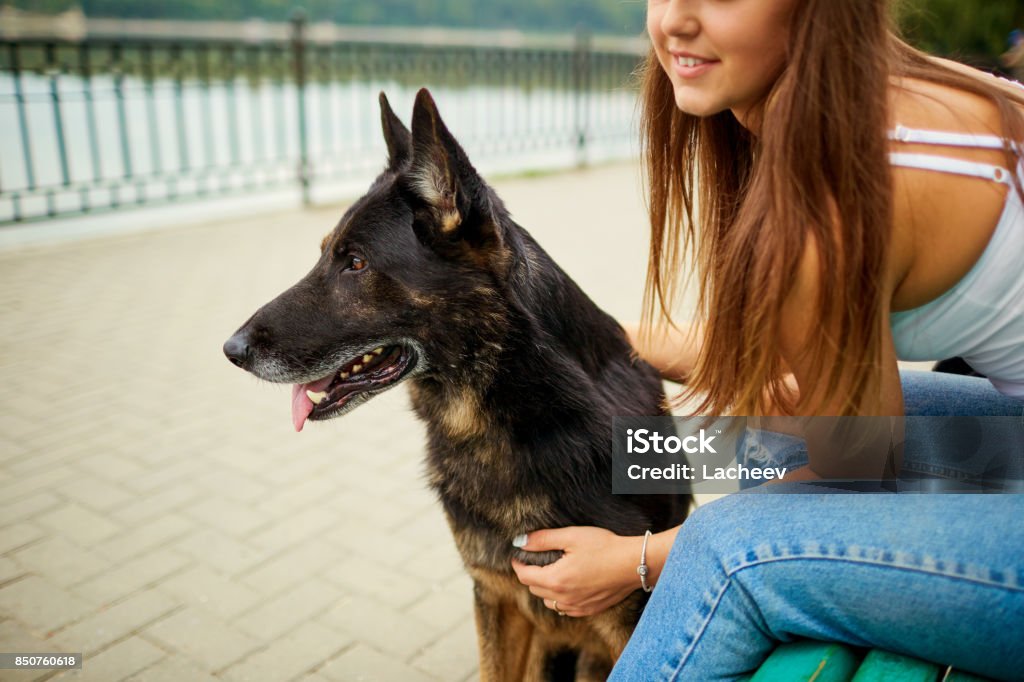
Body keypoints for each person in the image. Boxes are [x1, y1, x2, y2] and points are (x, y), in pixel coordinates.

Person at [510, 0, 1024, 679]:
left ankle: (607, 553)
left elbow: (854, 466)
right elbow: (806, 397)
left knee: (725, 550)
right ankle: (601, 490)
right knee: (735, 439)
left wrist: (634, 563)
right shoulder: (899, 95)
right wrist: (604, 339)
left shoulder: (833, 197)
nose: (674, 21)